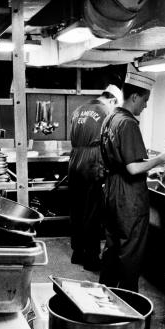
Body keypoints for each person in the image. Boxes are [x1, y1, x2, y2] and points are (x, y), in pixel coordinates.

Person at [99, 64, 165, 292]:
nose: (146, 105)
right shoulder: (129, 123)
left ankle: (104, 297)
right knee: (130, 251)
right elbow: (132, 168)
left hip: (112, 191)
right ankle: (129, 303)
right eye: (145, 100)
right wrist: (160, 159)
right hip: (128, 197)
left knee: (113, 247)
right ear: (134, 96)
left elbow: (120, 161)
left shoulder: (110, 118)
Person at [68, 84, 123, 271]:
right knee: (92, 212)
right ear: (113, 100)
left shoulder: (78, 111)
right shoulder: (107, 112)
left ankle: (77, 252)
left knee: (76, 209)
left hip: (74, 161)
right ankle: (91, 258)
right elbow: (109, 142)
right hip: (92, 162)